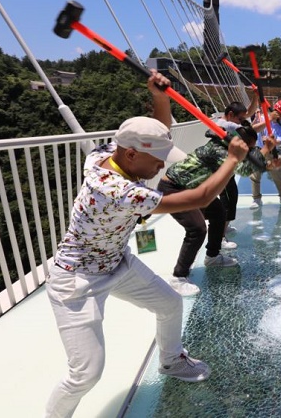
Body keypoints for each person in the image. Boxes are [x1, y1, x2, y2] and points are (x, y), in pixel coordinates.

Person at [45, 71, 249, 418]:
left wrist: (159, 97)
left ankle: (170, 361)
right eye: (156, 160)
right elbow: (199, 196)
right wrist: (232, 159)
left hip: (116, 262)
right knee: (85, 374)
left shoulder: (106, 153)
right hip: (77, 280)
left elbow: (158, 131)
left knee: (169, 304)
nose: (161, 165)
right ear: (129, 155)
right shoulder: (118, 191)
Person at [157, 121, 278, 296]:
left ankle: (212, 256)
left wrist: (267, 165)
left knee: (219, 213)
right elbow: (243, 169)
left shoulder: (226, 146)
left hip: (191, 188)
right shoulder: (218, 150)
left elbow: (245, 164)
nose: (248, 153)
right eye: (248, 149)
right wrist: (266, 149)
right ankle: (178, 277)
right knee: (197, 229)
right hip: (174, 189)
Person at [216, 96, 258, 235]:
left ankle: (224, 229)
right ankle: (220, 236)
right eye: (239, 118)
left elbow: (247, 116)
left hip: (227, 169)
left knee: (231, 198)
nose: (242, 121)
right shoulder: (225, 125)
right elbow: (246, 129)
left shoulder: (227, 122)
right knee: (227, 201)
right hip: (222, 169)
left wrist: (255, 97)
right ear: (230, 115)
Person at [250, 99, 281, 209]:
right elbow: (253, 129)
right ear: (275, 112)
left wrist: (271, 141)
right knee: (255, 176)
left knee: (278, 176)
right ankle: (256, 199)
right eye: (280, 114)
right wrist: (266, 121)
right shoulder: (263, 118)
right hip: (259, 150)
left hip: (272, 152)